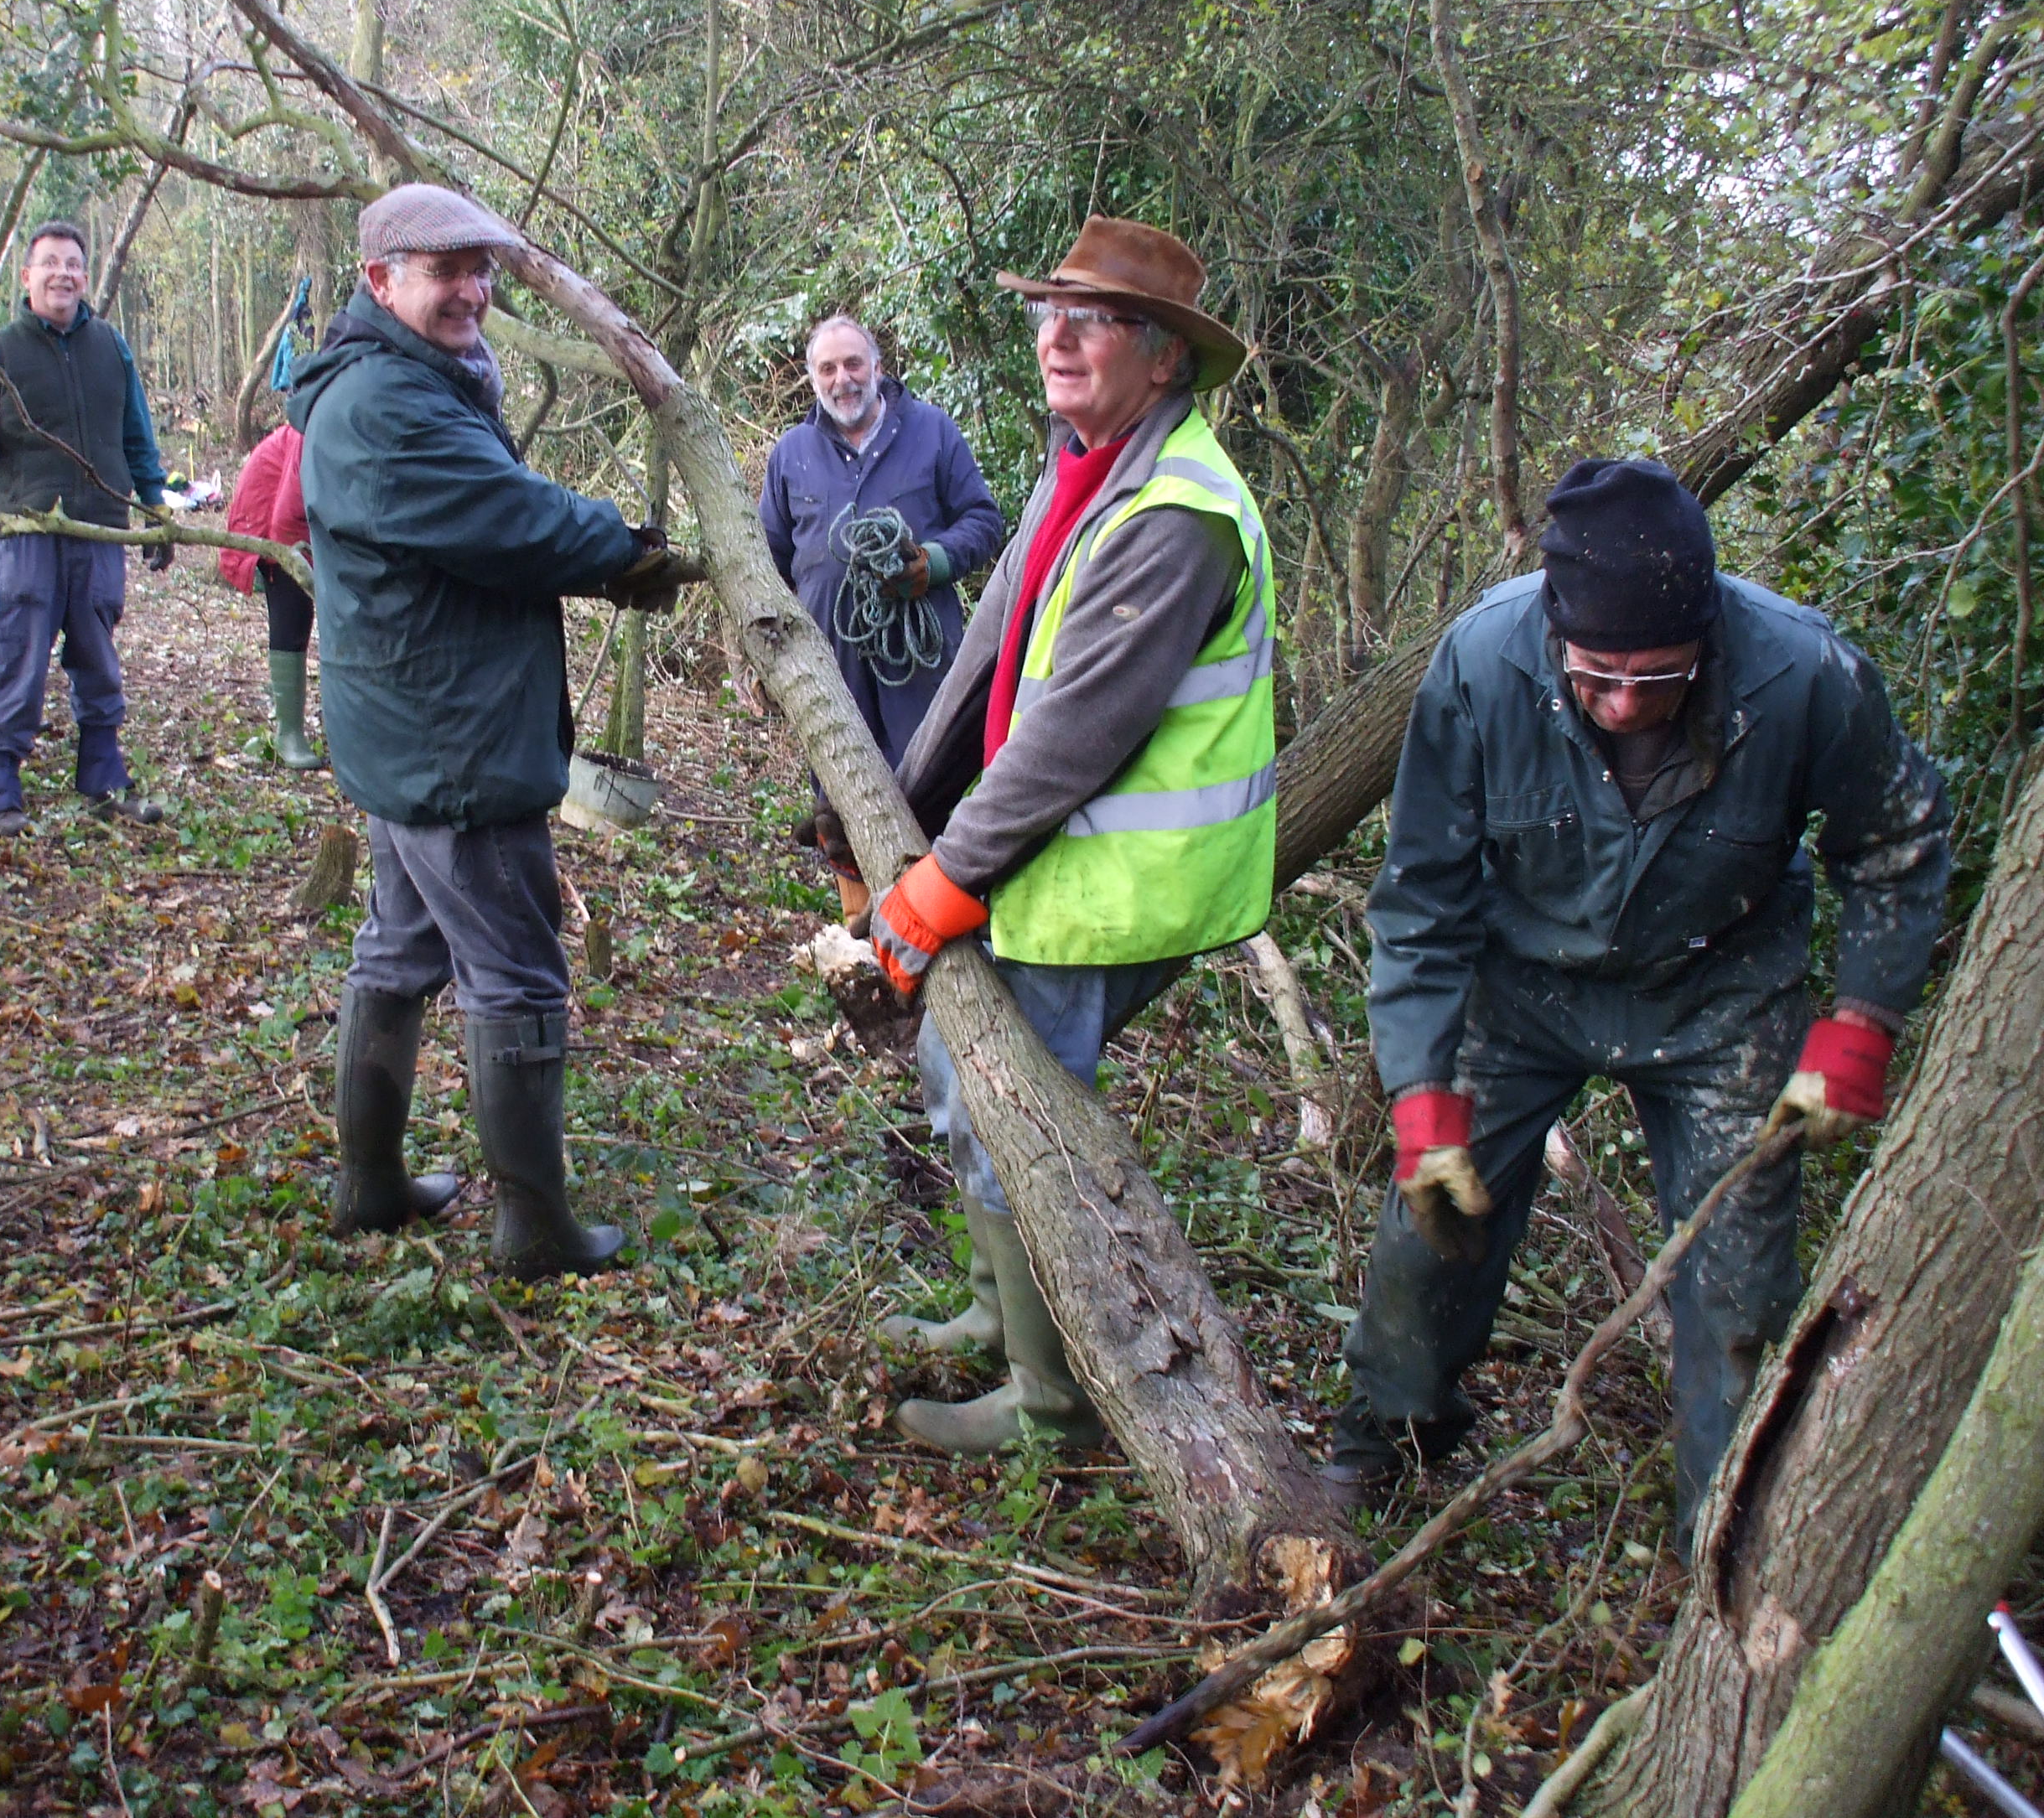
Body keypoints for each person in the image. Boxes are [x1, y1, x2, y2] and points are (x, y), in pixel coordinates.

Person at [1326, 458, 1950, 1536]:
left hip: (1719, 994)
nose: (1621, 706)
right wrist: (1421, 1091)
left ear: (1705, 634)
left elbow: (1895, 840)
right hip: (1518, 988)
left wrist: (1861, 1022)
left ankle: (1729, 1529)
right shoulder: (1481, 662)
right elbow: (1421, 894)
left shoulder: (1803, 676)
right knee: (1426, 1226)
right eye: (1595, 677)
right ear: (1555, 630)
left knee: (1740, 1288)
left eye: (1654, 681)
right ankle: (1385, 1439)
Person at [864, 216, 1271, 1452]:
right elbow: (993, 642)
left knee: (1009, 1116)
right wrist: (900, 798)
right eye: (1049, 316)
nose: (1058, 340)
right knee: (959, 1078)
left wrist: (940, 882)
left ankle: (1049, 1407)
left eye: (1091, 324)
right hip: (1045, 862)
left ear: (1164, 361)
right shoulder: (1084, 464)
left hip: (1111, 879)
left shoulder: (1178, 513)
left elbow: (1072, 737)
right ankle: (1002, 1318)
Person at [290, 184, 705, 1275]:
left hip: (413, 724)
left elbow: (491, 508)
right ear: (380, 281)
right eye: (445, 269)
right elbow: (509, 519)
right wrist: (624, 546)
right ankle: (534, 1226)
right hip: (451, 740)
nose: (473, 288)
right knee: (516, 978)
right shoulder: (385, 404)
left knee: (398, 949)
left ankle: (369, 1182)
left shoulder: (402, 378)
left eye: (483, 267)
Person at [761, 317, 1003, 924]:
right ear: (812, 377)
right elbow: (769, 561)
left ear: (876, 365)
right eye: (828, 369)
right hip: (828, 670)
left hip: (919, 668)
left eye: (853, 364)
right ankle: (866, 951)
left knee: (927, 799)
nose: (843, 380)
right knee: (839, 812)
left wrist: (935, 563)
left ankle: (933, 945)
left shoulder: (933, 432)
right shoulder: (791, 454)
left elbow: (983, 520)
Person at [0, 220, 171, 837]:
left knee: (97, 659)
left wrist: (156, 507)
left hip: (99, 528)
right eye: (50, 263)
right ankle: (0, 791)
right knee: (20, 658)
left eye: (72, 264)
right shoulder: (2, 350)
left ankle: (102, 777)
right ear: (27, 275)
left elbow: (136, 437)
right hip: (27, 528)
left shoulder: (111, 348)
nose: (62, 274)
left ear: (84, 276)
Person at [221, 422, 324, 769]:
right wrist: (315, 577)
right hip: (271, 523)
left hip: (299, 516)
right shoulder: (310, 431)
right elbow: (287, 520)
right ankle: (289, 733)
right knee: (292, 617)